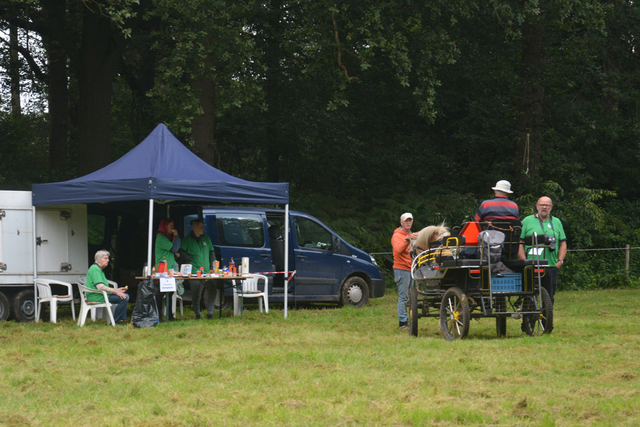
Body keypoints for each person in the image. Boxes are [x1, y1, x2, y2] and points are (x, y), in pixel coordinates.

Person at [518, 196, 567, 305]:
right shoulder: (527, 220)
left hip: (551, 266)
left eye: (547, 205)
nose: (544, 207)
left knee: (549, 297)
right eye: (541, 205)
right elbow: (520, 243)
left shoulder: (557, 222)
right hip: (532, 265)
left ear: (551, 207)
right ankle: (527, 321)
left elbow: (563, 243)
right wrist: (524, 262)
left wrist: (560, 262)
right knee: (529, 295)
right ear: (537, 206)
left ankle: (547, 321)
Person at [181, 219, 217, 319]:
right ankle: (197, 315)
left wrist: (211, 267)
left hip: (206, 271)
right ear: (194, 227)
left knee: (212, 290)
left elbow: (211, 252)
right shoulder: (187, 240)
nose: (202, 229)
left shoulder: (206, 238)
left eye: (203, 227)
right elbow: (181, 252)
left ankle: (210, 313)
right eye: (200, 227)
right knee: (196, 293)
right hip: (193, 272)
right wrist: (188, 258)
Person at [86, 250, 130, 324]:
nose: (108, 260)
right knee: (124, 297)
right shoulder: (95, 269)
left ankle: (120, 320)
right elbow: (100, 287)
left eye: (108, 258)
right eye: (105, 258)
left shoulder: (99, 269)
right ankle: (116, 320)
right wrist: (116, 292)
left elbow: (103, 287)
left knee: (125, 296)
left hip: (101, 294)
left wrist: (117, 290)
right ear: (98, 259)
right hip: (97, 296)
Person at [391, 212, 419, 330]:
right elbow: (398, 250)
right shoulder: (397, 236)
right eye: (406, 221)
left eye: (410, 220)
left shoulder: (412, 235)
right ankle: (402, 322)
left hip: (411, 268)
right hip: (401, 269)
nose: (408, 222)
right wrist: (408, 240)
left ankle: (409, 319)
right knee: (404, 297)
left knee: (411, 296)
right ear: (401, 222)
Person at [155, 218, 182, 320]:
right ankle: (158, 316)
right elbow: (174, 248)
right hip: (162, 270)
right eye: (170, 225)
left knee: (170, 293)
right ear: (164, 226)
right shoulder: (161, 237)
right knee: (161, 294)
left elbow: (173, 249)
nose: (172, 227)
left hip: (169, 270)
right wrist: (176, 235)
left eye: (173, 225)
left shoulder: (167, 238)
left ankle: (169, 316)